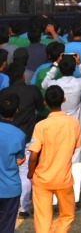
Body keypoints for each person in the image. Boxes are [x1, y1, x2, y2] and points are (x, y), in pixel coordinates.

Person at [26, 84, 81, 233]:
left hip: (42, 178)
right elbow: (76, 146)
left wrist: (30, 173)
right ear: (63, 99)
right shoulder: (74, 123)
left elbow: (33, 155)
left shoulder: (41, 126)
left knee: (43, 218)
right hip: (64, 178)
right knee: (68, 215)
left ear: (45, 102)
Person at [0, 95, 29, 233]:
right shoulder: (19, 135)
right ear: (17, 110)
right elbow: (20, 158)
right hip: (10, 188)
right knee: (7, 226)